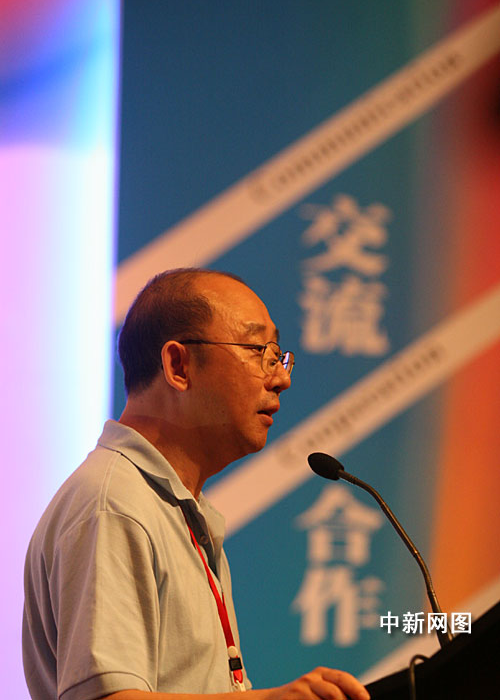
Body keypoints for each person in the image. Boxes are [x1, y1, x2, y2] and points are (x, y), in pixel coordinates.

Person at [23, 268, 370, 700]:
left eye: (278, 355)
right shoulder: (114, 506)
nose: (281, 378)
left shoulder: (172, 506)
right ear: (179, 366)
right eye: (258, 351)